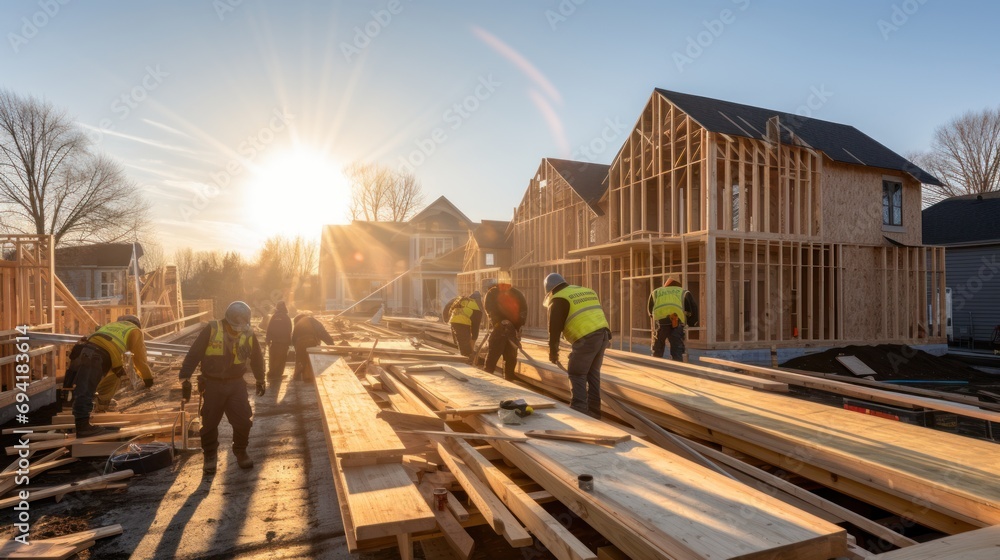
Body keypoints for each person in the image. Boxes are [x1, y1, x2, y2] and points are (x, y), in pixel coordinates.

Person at [179, 301, 265, 473]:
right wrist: (185, 376)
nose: (238, 327)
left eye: (243, 322)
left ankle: (241, 451)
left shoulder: (248, 333)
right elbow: (194, 352)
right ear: (228, 318)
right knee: (209, 423)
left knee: (243, 421)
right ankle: (210, 455)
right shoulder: (212, 329)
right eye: (236, 323)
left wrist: (260, 378)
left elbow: (256, 357)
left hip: (236, 384)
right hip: (212, 384)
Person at [70, 315, 154, 437]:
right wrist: (148, 379)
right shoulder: (135, 331)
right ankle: (83, 427)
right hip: (99, 355)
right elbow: (140, 359)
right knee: (85, 390)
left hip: (85, 351)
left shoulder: (110, 326)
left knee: (112, 376)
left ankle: (100, 405)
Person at [544, 273, 610, 419]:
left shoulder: (559, 299)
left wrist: (553, 353)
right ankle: (594, 412)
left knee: (576, 372)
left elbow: (554, 331)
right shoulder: (585, 290)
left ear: (550, 290)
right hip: (604, 334)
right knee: (592, 373)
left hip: (587, 338)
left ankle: (579, 412)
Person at [482, 276, 528, 381]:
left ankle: (491, 379)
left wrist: (497, 323)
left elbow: (490, 310)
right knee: (506, 356)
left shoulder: (492, 293)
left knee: (498, 356)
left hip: (503, 329)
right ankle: (505, 378)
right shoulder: (517, 293)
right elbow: (523, 310)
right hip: (508, 330)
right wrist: (517, 326)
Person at [648, 277, 699, 362]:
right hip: (676, 322)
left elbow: (650, 309)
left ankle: (656, 365)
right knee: (677, 347)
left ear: (666, 285)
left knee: (658, 345)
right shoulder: (683, 292)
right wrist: (692, 323)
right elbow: (693, 309)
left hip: (661, 322)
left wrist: (654, 318)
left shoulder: (656, 292)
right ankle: (677, 366)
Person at [291, 312, 334, 382]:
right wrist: (331, 344)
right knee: (312, 359)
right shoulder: (312, 320)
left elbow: (293, 339)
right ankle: (310, 376)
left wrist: (297, 350)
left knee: (300, 360)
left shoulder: (298, 324)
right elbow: (323, 333)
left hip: (299, 343)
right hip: (311, 341)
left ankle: (297, 376)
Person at [447, 291, 483, 357]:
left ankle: (465, 356)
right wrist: (474, 340)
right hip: (462, 323)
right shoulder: (476, 308)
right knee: (465, 348)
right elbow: (475, 328)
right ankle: (466, 359)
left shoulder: (465, 301)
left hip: (453, 322)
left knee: (462, 343)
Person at [265, 301, 292, 382]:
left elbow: (269, 329)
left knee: (273, 358)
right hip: (283, 343)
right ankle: (278, 374)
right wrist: (289, 342)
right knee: (281, 359)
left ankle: (271, 373)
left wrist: (268, 339)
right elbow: (289, 330)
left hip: (274, 342)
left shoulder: (274, 316)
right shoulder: (286, 317)